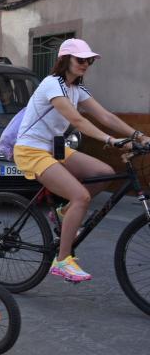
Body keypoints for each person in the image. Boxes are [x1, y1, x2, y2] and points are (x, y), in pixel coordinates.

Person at [14, 38, 150, 282]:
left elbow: (105, 116)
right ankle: (62, 260)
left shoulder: (77, 89)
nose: (86, 64)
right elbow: (77, 121)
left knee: (103, 172)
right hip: (31, 150)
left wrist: (137, 135)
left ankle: (63, 212)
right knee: (81, 196)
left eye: (89, 60)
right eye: (81, 59)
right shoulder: (51, 84)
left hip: (53, 148)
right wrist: (110, 140)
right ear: (65, 60)